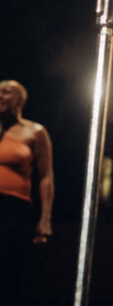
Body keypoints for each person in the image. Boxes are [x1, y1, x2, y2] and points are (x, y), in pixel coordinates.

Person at [0, 79, 54, 300]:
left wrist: (45, 218)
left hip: (15, 207)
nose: (1, 96)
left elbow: (46, 176)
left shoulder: (35, 132)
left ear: (20, 99)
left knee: (8, 268)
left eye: (6, 92)